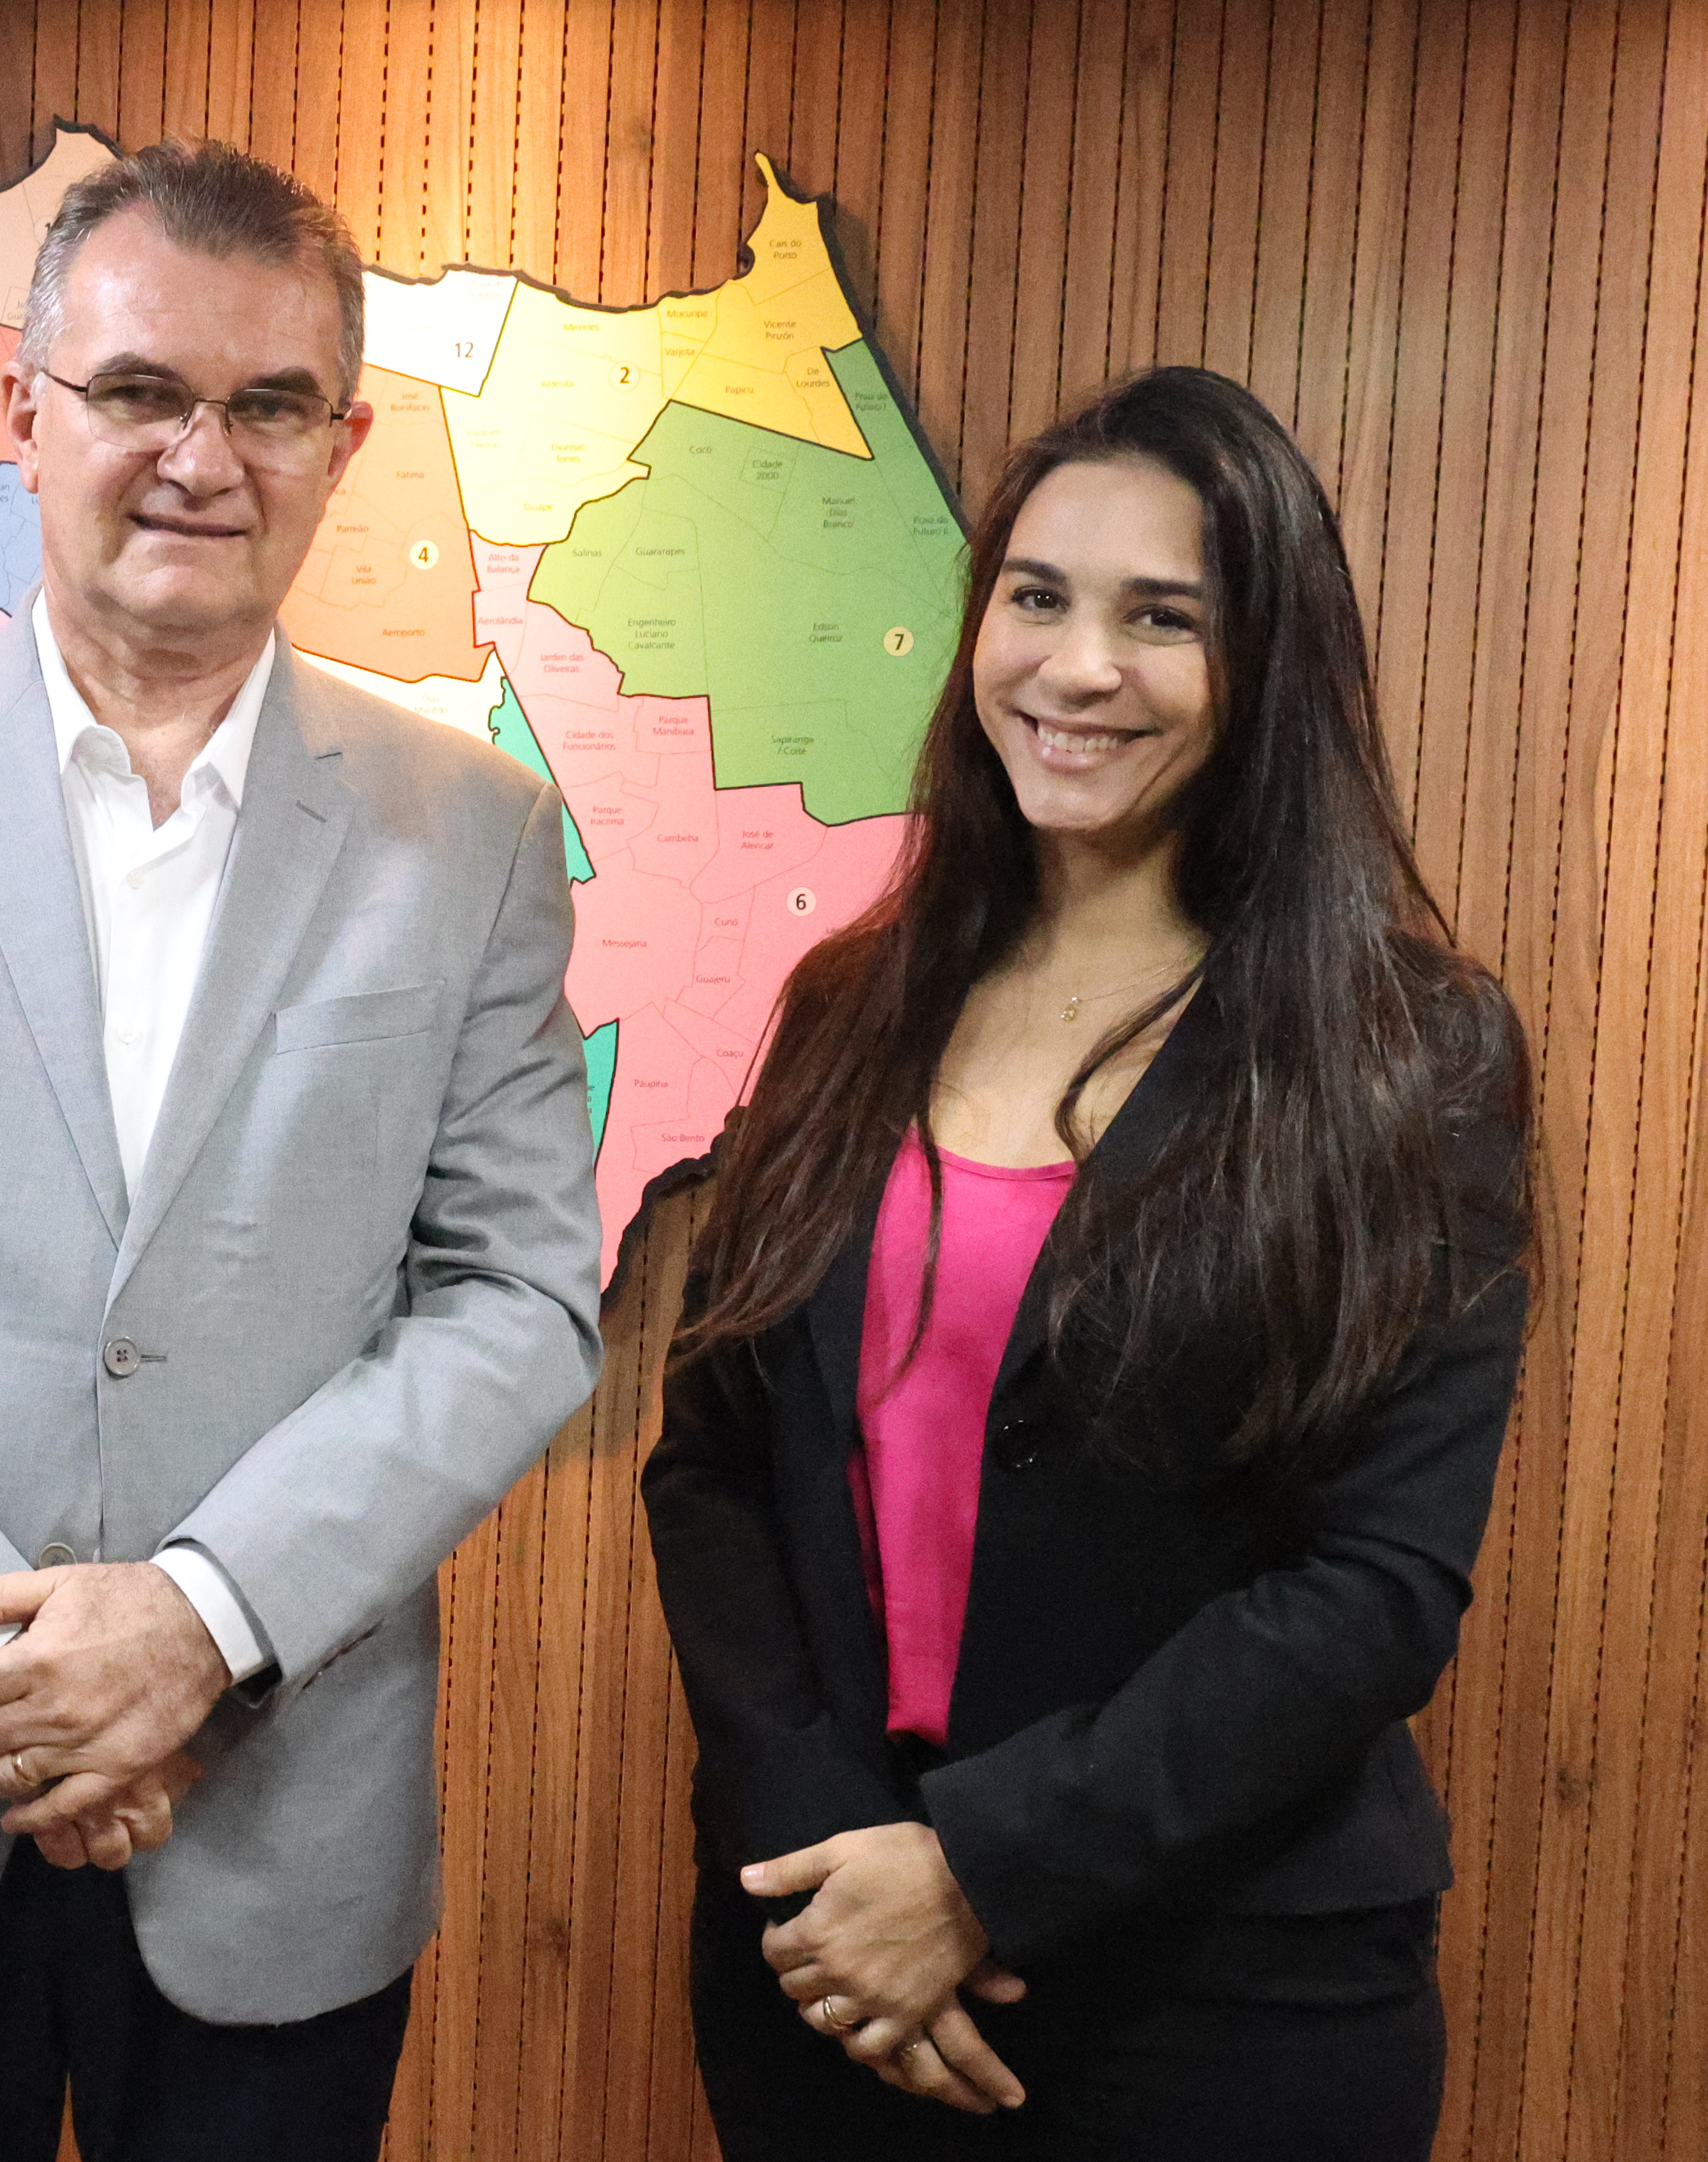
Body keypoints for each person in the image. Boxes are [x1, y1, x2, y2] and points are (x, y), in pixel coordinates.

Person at [0, 139, 603, 2161]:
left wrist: (196, 1622)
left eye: (265, 406)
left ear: (344, 442)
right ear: (27, 409)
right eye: (142, 392)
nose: (197, 459)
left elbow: (516, 1299)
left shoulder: (474, 836)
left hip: (274, 1824)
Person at [640, 366, 1535, 2158]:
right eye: (1037, 597)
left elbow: (1374, 1586)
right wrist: (833, 1861)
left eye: (1162, 618)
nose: (1075, 666)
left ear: (1266, 670)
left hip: (1223, 2001)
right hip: (828, 1968)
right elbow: (714, 1463)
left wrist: (980, 1871)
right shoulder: (847, 1007)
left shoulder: (1407, 1056)